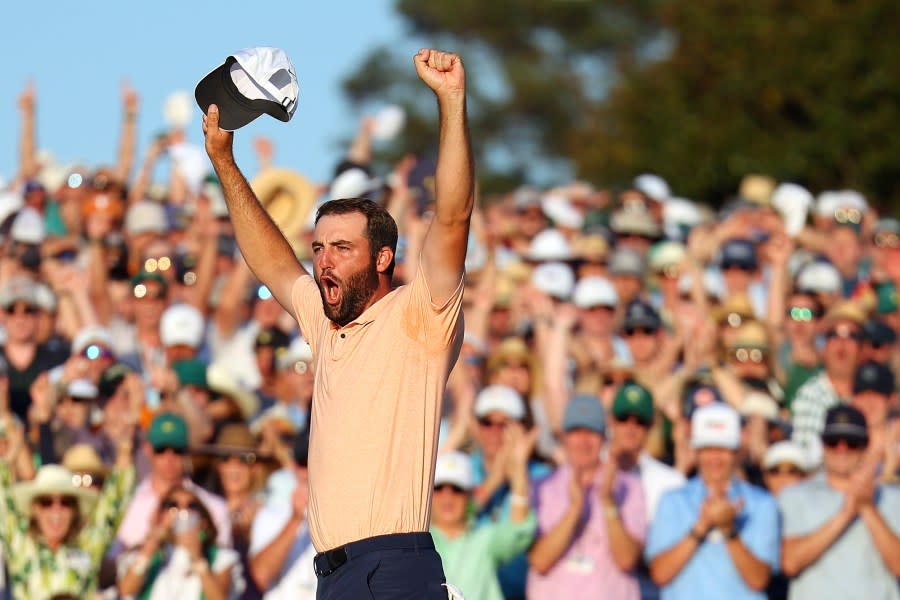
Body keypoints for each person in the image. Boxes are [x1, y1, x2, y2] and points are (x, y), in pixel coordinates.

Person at [202, 47, 474, 599]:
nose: (323, 260)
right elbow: (274, 262)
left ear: (382, 259)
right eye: (320, 247)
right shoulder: (325, 325)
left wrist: (451, 103)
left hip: (394, 565)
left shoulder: (420, 315)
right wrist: (225, 163)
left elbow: (453, 216)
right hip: (335, 574)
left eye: (342, 248)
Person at [646, 403, 779, 600]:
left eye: (723, 449)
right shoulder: (673, 501)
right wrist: (702, 526)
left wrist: (729, 531)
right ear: (697, 452)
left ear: (736, 452)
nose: (715, 458)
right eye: (708, 449)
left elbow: (758, 580)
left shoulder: (762, 504)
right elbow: (660, 574)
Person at [0, 415, 135, 599]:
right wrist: (7, 461)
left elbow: (114, 503)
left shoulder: (87, 545)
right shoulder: (21, 545)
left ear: (74, 510)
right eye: (47, 502)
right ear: (36, 509)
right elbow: (3, 501)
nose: (56, 510)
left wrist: (125, 449)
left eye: (65, 503)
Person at [527, 394, 647, 600]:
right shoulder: (542, 486)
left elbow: (627, 559)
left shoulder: (629, 485)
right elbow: (540, 561)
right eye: (576, 432)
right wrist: (574, 509)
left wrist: (608, 502)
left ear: (604, 437)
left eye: (591, 432)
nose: (583, 442)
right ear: (564, 437)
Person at [779, 405, 900, 600]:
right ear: (822, 445)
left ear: (865, 446)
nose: (841, 449)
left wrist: (868, 508)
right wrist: (846, 514)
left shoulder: (892, 498)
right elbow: (790, 563)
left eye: (851, 442)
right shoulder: (795, 496)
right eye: (833, 441)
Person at [430, 443, 536, 600]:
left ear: (469, 496)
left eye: (457, 489)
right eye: (439, 489)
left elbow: (517, 532)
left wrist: (519, 474)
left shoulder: (484, 538)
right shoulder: (415, 542)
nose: (448, 498)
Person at [118, 484, 241, 600]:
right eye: (172, 505)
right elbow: (126, 590)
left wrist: (198, 559)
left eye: (192, 506)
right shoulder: (143, 554)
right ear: (161, 515)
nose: (182, 511)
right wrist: (148, 551)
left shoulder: (220, 557)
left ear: (203, 521)